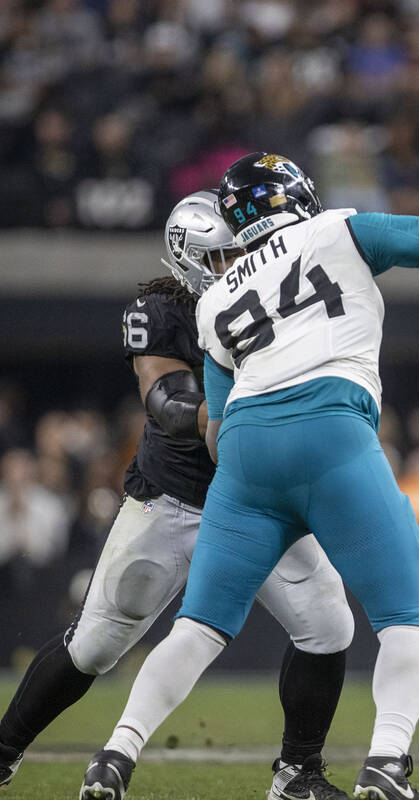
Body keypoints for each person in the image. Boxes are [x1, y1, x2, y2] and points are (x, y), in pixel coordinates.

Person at [78, 153, 419, 800]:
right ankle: (386, 765)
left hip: (243, 453)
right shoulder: (336, 230)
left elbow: (213, 426)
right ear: (294, 197)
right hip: (331, 428)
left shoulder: (214, 298)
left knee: (199, 626)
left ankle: (114, 756)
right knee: (405, 610)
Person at [0, 189, 356, 800]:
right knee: (94, 646)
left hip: (257, 498)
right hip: (174, 498)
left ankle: (298, 773)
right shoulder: (161, 310)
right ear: (187, 258)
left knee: (328, 625)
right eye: (222, 257)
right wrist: (240, 414)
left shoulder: (280, 289)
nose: (240, 264)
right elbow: (165, 402)